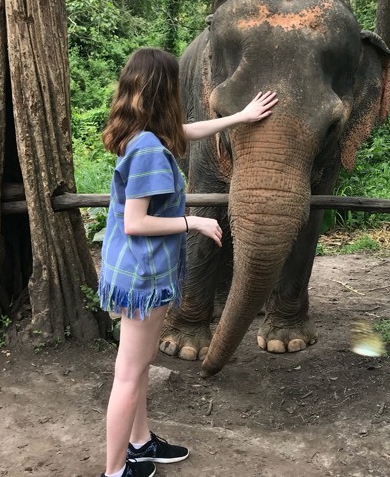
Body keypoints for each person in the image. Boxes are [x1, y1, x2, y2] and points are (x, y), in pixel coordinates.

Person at [98, 47, 278, 477]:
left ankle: (140, 444)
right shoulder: (150, 153)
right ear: (166, 91)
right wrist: (193, 221)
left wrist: (239, 117)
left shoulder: (141, 137)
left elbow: (188, 131)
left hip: (130, 271)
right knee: (129, 374)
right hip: (143, 277)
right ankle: (114, 470)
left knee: (136, 369)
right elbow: (137, 222)